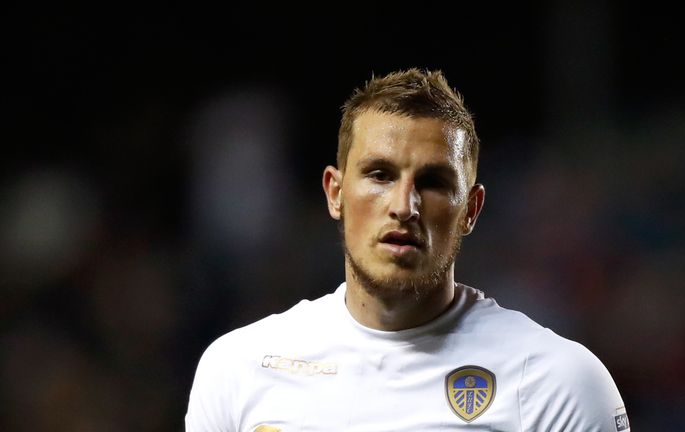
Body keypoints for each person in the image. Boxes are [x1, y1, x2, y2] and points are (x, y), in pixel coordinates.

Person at [185, 68, 630, 431]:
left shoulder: (557, 383)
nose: (404, 206)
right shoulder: (239, 368)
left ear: (470, 210)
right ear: (335, 193)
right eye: (380, 175)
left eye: (433, 182)